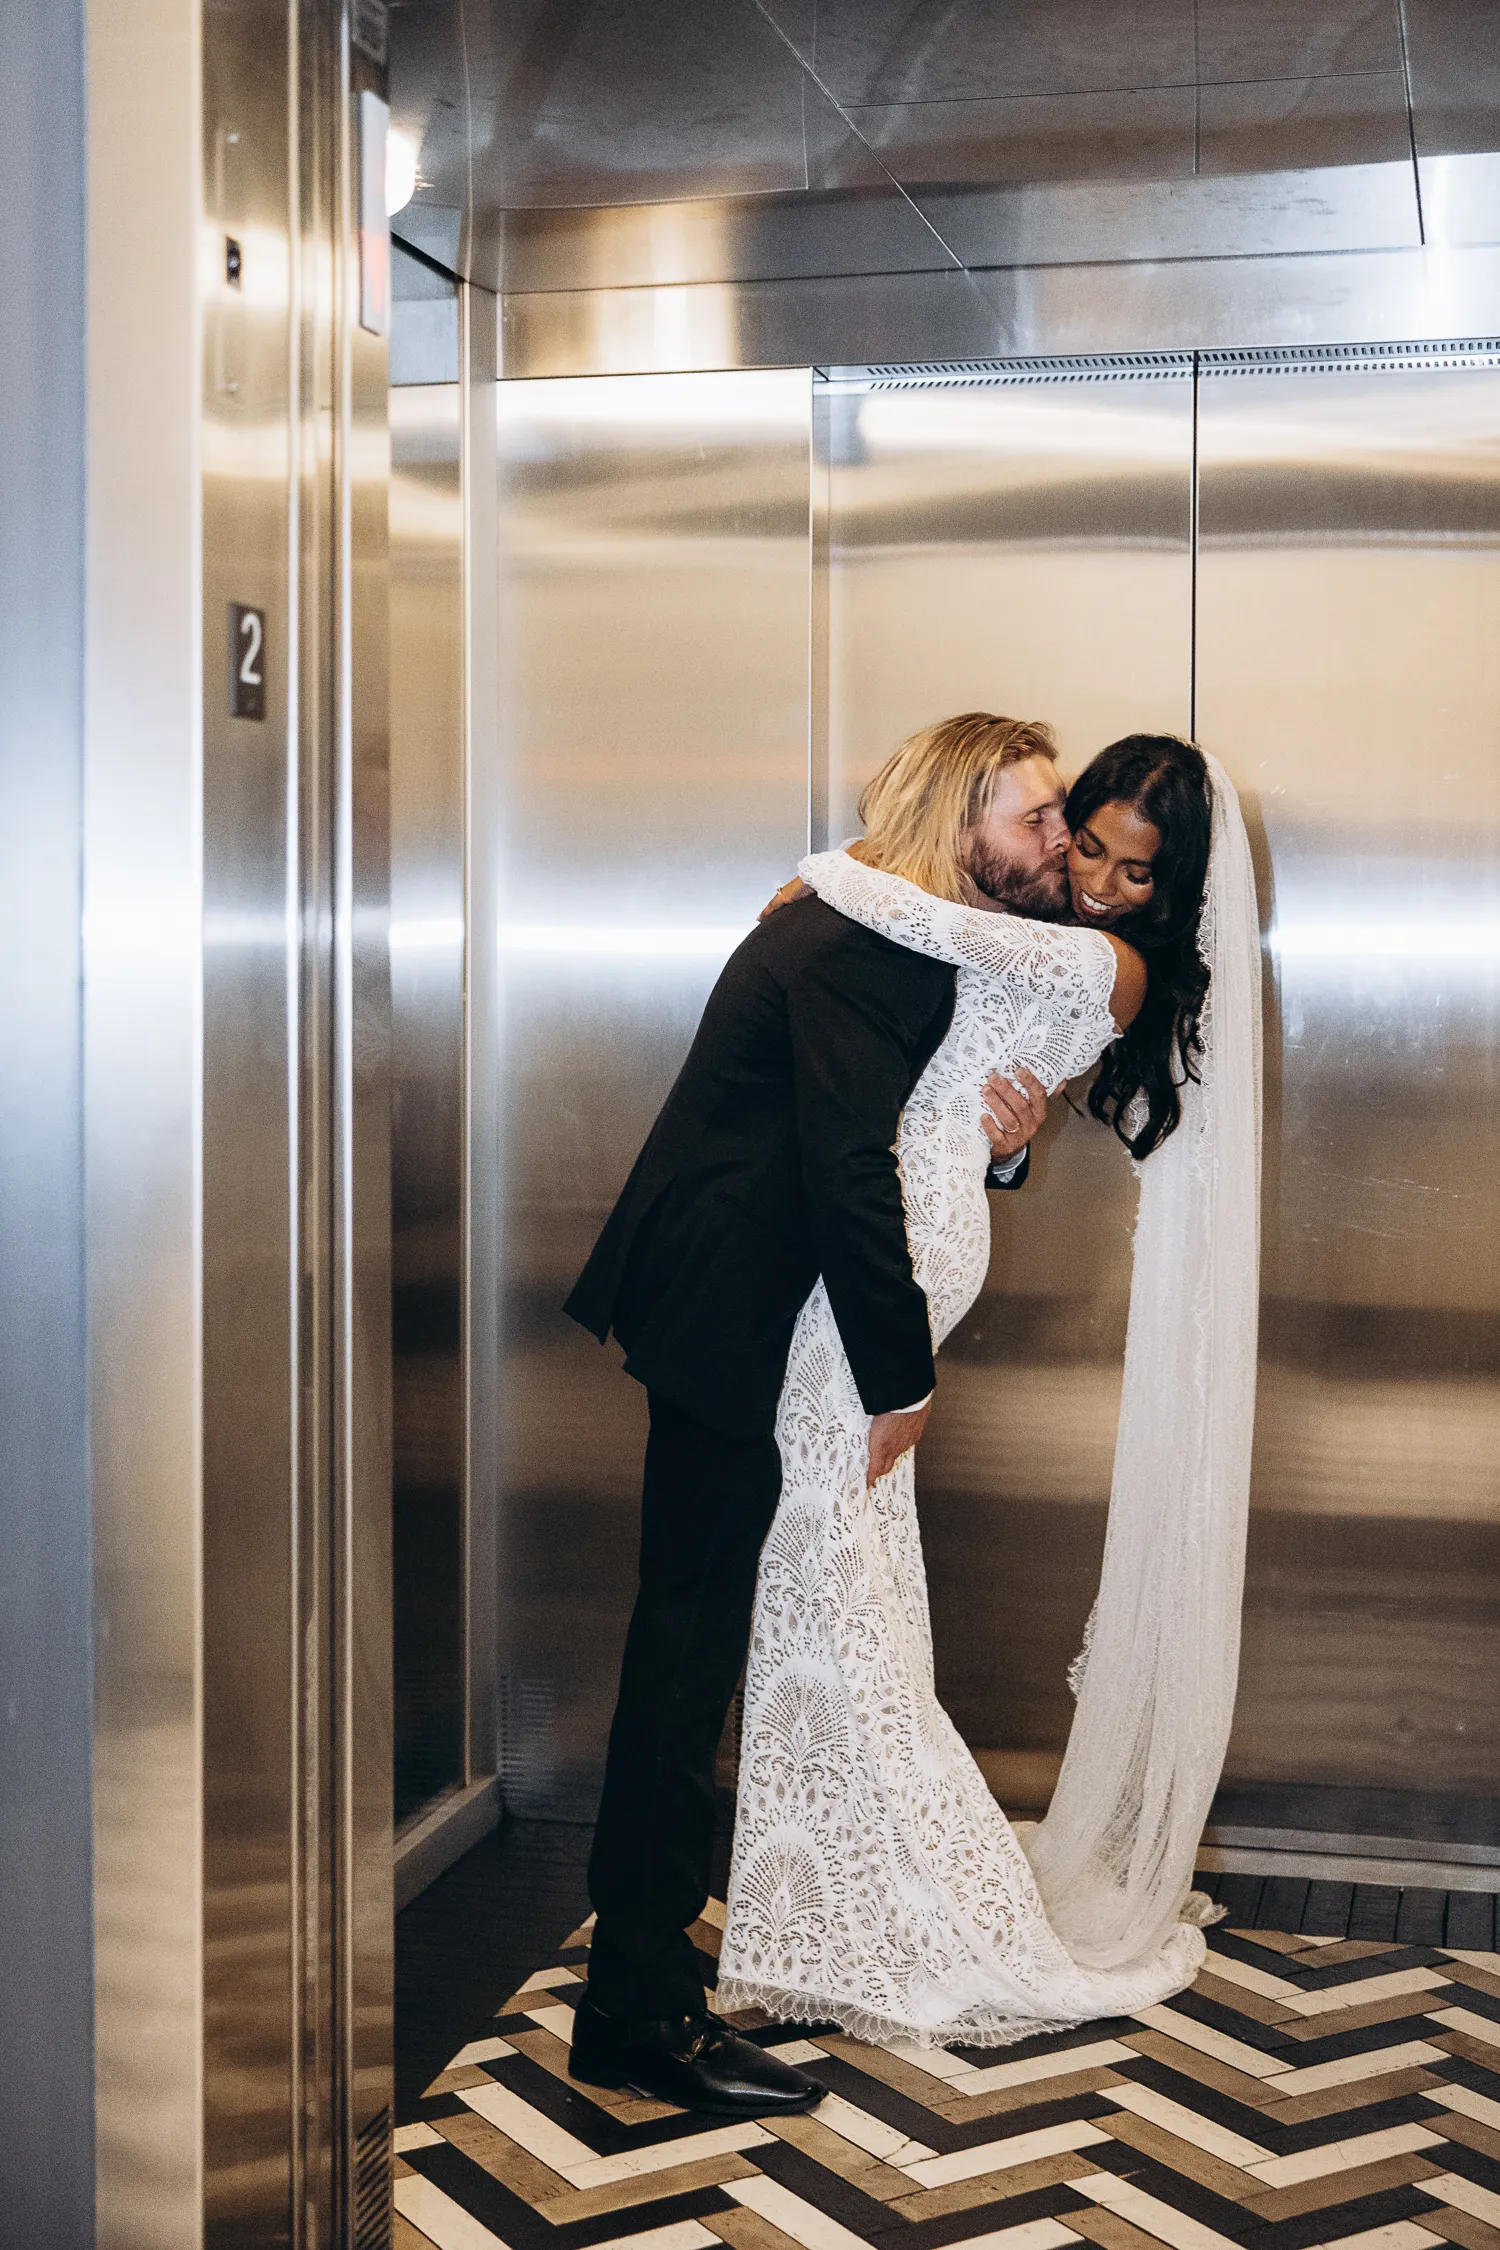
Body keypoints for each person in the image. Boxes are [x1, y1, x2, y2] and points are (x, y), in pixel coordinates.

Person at [562, 716, 1115, 2115]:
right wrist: (899, 1376)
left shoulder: (889, 928)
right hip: (724, 1322)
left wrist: (1002, 1148)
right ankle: (637, 2012)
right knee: (683, 1655)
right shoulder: (859, 944)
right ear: (958, 820)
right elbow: (846, 1165)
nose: (1060, 838)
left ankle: (646, 1984)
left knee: (688, 1645)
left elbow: (914, 1127)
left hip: (735, 1310)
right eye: (1035, 815)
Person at [716, 728, 1262, 2046]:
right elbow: (952, 1065)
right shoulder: (1027, 919)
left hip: (889, 1275)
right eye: (1088, 847)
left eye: (1139, 873)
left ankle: (893, 1901)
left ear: (1175, 889)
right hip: (884, 1255)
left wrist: (825, 873)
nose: (1103, 885)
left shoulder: (1112, 965)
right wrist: (1001, 1142)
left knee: (830, 1588)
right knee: (835, 1584)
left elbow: (937, 932)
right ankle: (838, 1895)